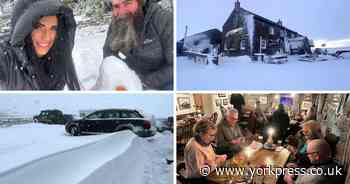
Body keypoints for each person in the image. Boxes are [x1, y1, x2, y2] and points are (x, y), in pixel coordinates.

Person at [0, 0, 80, 90]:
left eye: (53, 28)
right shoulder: (5, 59)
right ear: (23, 30)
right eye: (38, 27)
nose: (46, 36)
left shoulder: (56, 61)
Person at [103, 0, 173, 90]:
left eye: (127, 3)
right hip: (131, 83)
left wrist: (143, 82)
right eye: (116, 6)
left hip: (162, 83)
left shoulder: (163, 20)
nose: (122, 11)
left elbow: (174, 67)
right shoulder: (117, 23)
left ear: (140, 2)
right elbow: (109, 56)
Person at [184, 119, 227, 183]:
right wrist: (216, 163)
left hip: (210, 173)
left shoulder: (205, 141)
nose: (213, 138)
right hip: (198, 180)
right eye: (211, 135)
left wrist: (218, 157)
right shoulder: (194, 148)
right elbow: (200, 173)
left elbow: (210, 157)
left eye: (214, 135)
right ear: (201, 134)